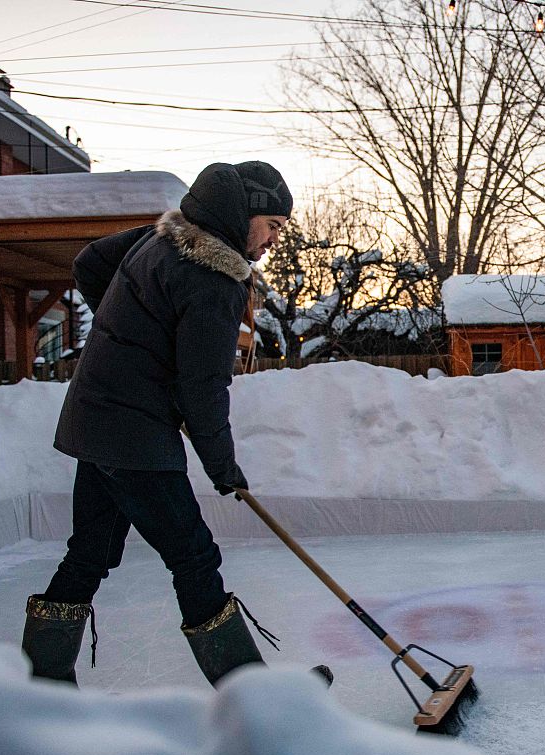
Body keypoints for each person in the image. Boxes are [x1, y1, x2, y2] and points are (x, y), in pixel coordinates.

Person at [21, 161, 330, 688]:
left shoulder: (158, 240)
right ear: (245, 214)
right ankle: (254, 699)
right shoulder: (216, 279)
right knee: (193, 557)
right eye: (273, 225)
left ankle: (40, 683)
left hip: (94, 417)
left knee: (90, 553)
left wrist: (132, 337)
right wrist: (223, 467)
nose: (275, 241)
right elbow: (203, 389)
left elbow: (90, 263)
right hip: (134, 434)